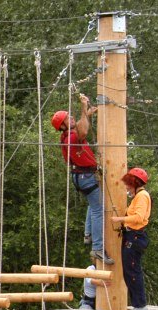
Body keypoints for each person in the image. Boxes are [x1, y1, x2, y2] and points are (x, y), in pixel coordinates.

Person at [52, 93, 113, 265]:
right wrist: (84, 108)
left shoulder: (67, 135)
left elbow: (80, 127)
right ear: (63, 125)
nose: (71, 117)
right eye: (67, 117)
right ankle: (98, 247)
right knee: (98, 209)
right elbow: (83, 130)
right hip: (85, 176)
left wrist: (87, 113)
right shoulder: (72, 137)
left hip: (80, 176)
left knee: (93, 205)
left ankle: (88, 234)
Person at [111, 167, 152, 310]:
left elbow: (139, 218)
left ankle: (140, 305)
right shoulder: (138, 197)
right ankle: (138, 305)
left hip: (135, 236)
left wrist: (119, 219)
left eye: (128, 184)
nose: (127, 187)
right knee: (129, 271)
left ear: (134, 183)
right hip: (132, 236)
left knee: (133, 271)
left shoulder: (142, 196)